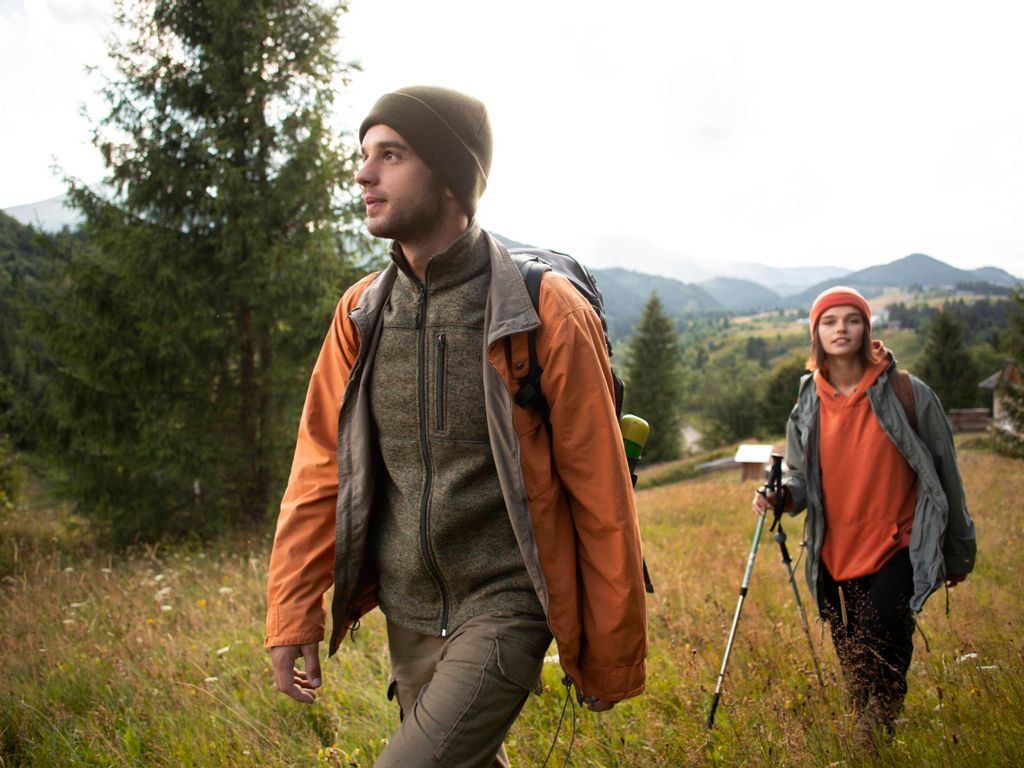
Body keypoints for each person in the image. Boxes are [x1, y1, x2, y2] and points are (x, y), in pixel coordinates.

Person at [264, 85, 648, 767]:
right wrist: (292, 611)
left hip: (506, 601)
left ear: (448, 176)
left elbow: (600, 488)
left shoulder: (544, 310)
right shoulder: (360, 313)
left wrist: (610, 650)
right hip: (408, 610)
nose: (363, 174)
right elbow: (320, 468)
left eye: (391, 155)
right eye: (363, 154)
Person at [752, 286, 976, 749]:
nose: (841, 329)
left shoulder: (908, 393)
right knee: (854, 662)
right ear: (816, 333)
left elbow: (947, 477)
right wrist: (780, 497)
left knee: (883, 644)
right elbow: (799, 477)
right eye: (830, 321)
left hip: (898, 545)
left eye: (851, 320)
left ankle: (873, 739)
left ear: (866, 328)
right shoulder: (808, 401)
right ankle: (867, 723)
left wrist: (957, 553)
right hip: (834, 553)